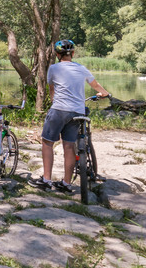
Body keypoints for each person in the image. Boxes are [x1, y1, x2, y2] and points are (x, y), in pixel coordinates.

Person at [39, 39, 109, 193]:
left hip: (59, 109)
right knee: (69, 145)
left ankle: (46, 180)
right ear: (73, 53)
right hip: (78, 111)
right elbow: (95, 85)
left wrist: (53, 102)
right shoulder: (81, 68)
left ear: (57, 54)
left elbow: (52, 89)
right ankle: (66, 183)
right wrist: (104, 93)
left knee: (47, 142)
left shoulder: (54, 68)